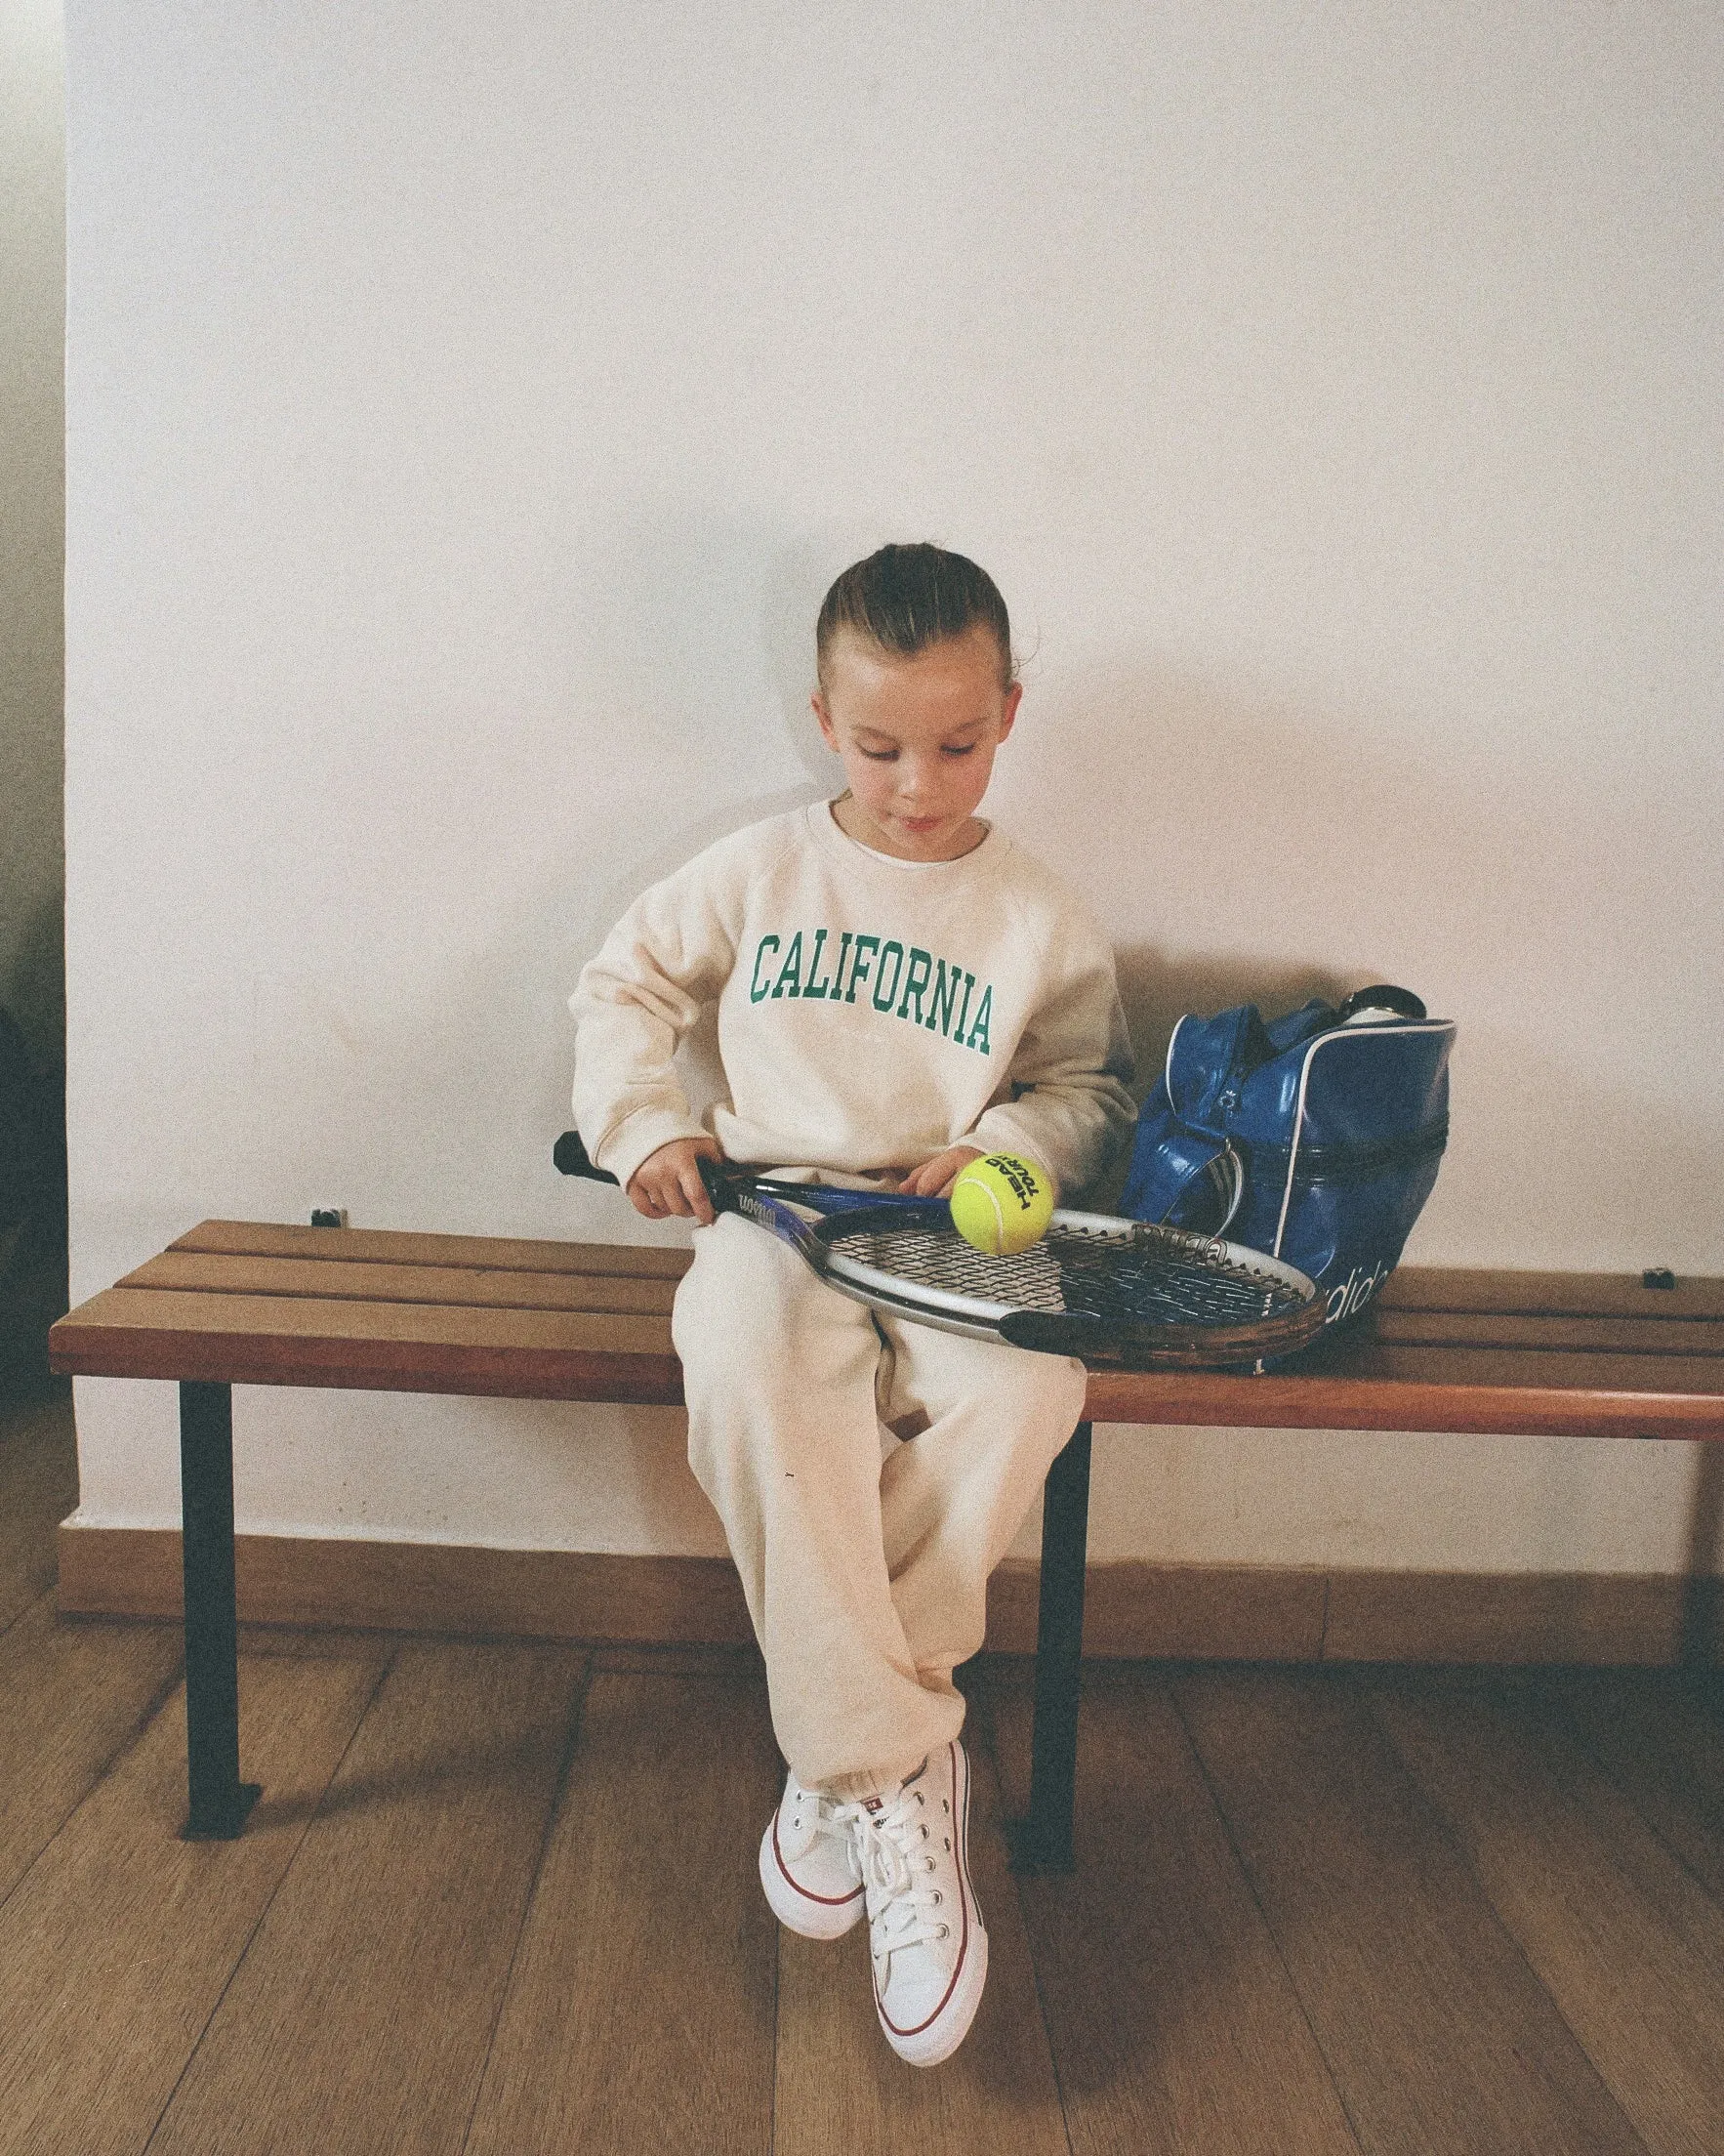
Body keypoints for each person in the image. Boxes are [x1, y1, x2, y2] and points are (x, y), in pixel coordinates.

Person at [571, 544, 1134, 2066]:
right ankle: (900, 1760)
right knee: (747, 1373)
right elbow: (623, 984)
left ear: (1009, 713)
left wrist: (1006, 1144)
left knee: (1032, 1390)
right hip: (773, 1216)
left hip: (948, 1229)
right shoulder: (756, 870)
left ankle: (845, 1750)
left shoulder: (1037, 911)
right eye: (881, 745)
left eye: (955, 743)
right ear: (824, 714)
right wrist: (648, 1129)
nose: (915, 781)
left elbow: (1086, 1082)